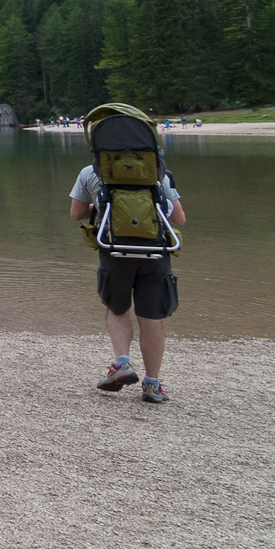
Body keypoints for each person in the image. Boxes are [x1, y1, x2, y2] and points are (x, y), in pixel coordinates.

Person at [70, 164, 186, 403]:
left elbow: (77, 213)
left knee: (117, 309)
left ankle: (122, 364)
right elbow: (179, 218)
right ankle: (152, 384)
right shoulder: (158, 171)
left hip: (115, 249)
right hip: (155, 252)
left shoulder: (92, 171)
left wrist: (105, 205)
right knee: (151, 317)